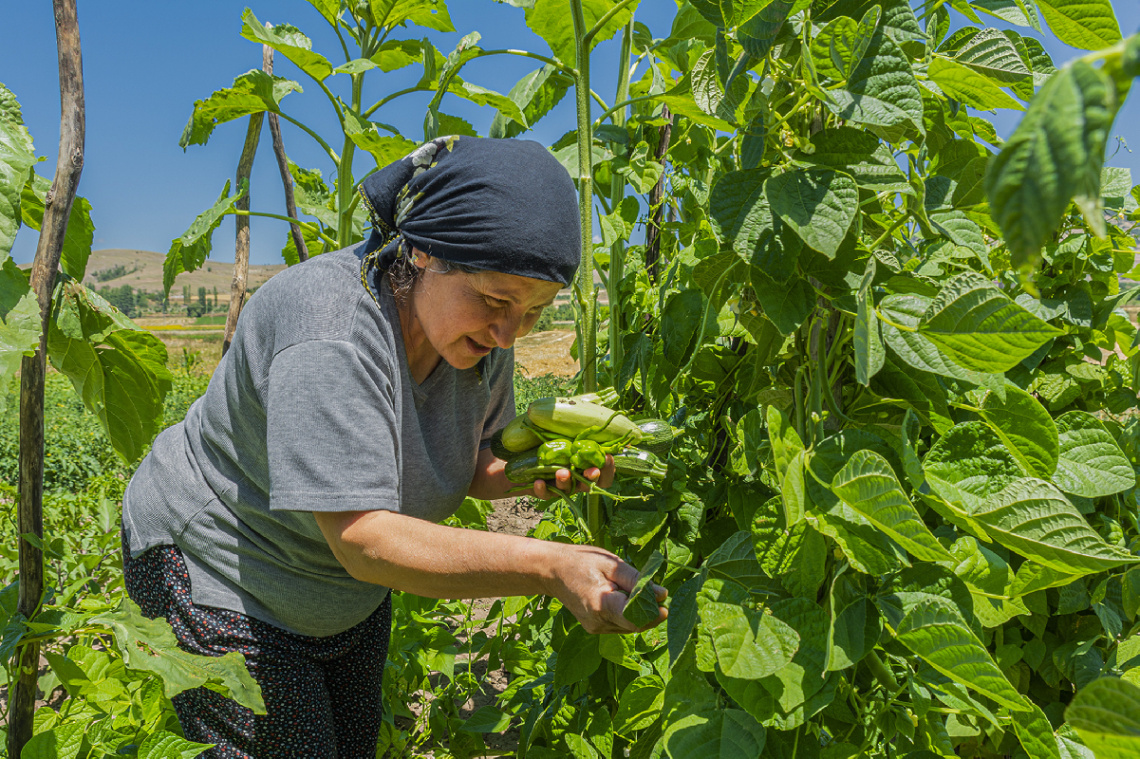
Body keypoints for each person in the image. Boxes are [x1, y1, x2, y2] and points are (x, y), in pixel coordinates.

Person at [120, 136, 667, 758]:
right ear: (425, 253)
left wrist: (527, 469)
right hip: (222, 571)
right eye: (495, 300)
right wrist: (549, 566)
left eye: (535, 311)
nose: (510, 332)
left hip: (339, 591)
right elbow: (364, 538)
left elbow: (473, 461)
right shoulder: (330, 331)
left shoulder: (478, 339)